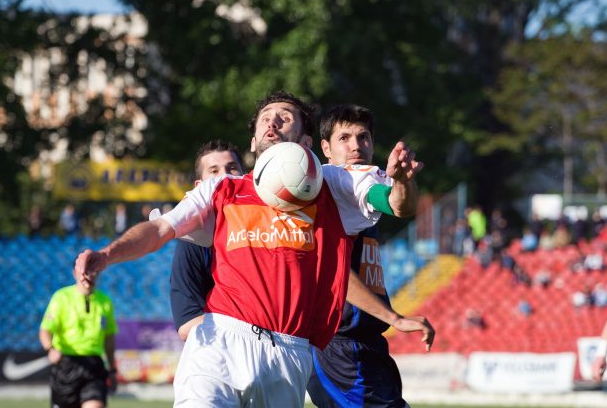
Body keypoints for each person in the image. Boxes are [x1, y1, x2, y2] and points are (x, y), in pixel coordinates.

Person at [75, 90, 434, 408]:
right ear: (252, 142)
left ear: (306, 141)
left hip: (289, 353)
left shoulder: (333, 185)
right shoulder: (222, 190)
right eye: (265, 118)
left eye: (285, 117)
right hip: (218, 339)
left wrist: (400, 182)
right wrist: (106, 255)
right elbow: (159, 229)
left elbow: (392, 203)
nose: (273, 123)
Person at [307, 104, 434, 408]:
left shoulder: (353, 181)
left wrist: (402, 181)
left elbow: (399, 204)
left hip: (364, 342)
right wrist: (395, 318)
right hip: (339, 344)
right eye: (344, 138)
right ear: (325, 147)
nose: (356, 146)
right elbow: (333, 268)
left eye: (363, 137)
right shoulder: (342, 177)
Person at [170, 139, 244, 341]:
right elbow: (186, 323)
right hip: (218, 356)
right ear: (199, 186)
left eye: (232, 168)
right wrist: (248, 330)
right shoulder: (191, 242)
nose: (225, 177)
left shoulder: (268, 227)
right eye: (214, 171)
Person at [39, 263, 118, 408]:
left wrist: (112, 370)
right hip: (66, 365)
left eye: (93, 271)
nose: (89, 275)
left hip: (94, 366)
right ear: (75, 274)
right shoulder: (61, 297)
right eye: (84, 272)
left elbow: (109, 340)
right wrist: (50, 349)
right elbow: (45, 330)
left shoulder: (105, 301)